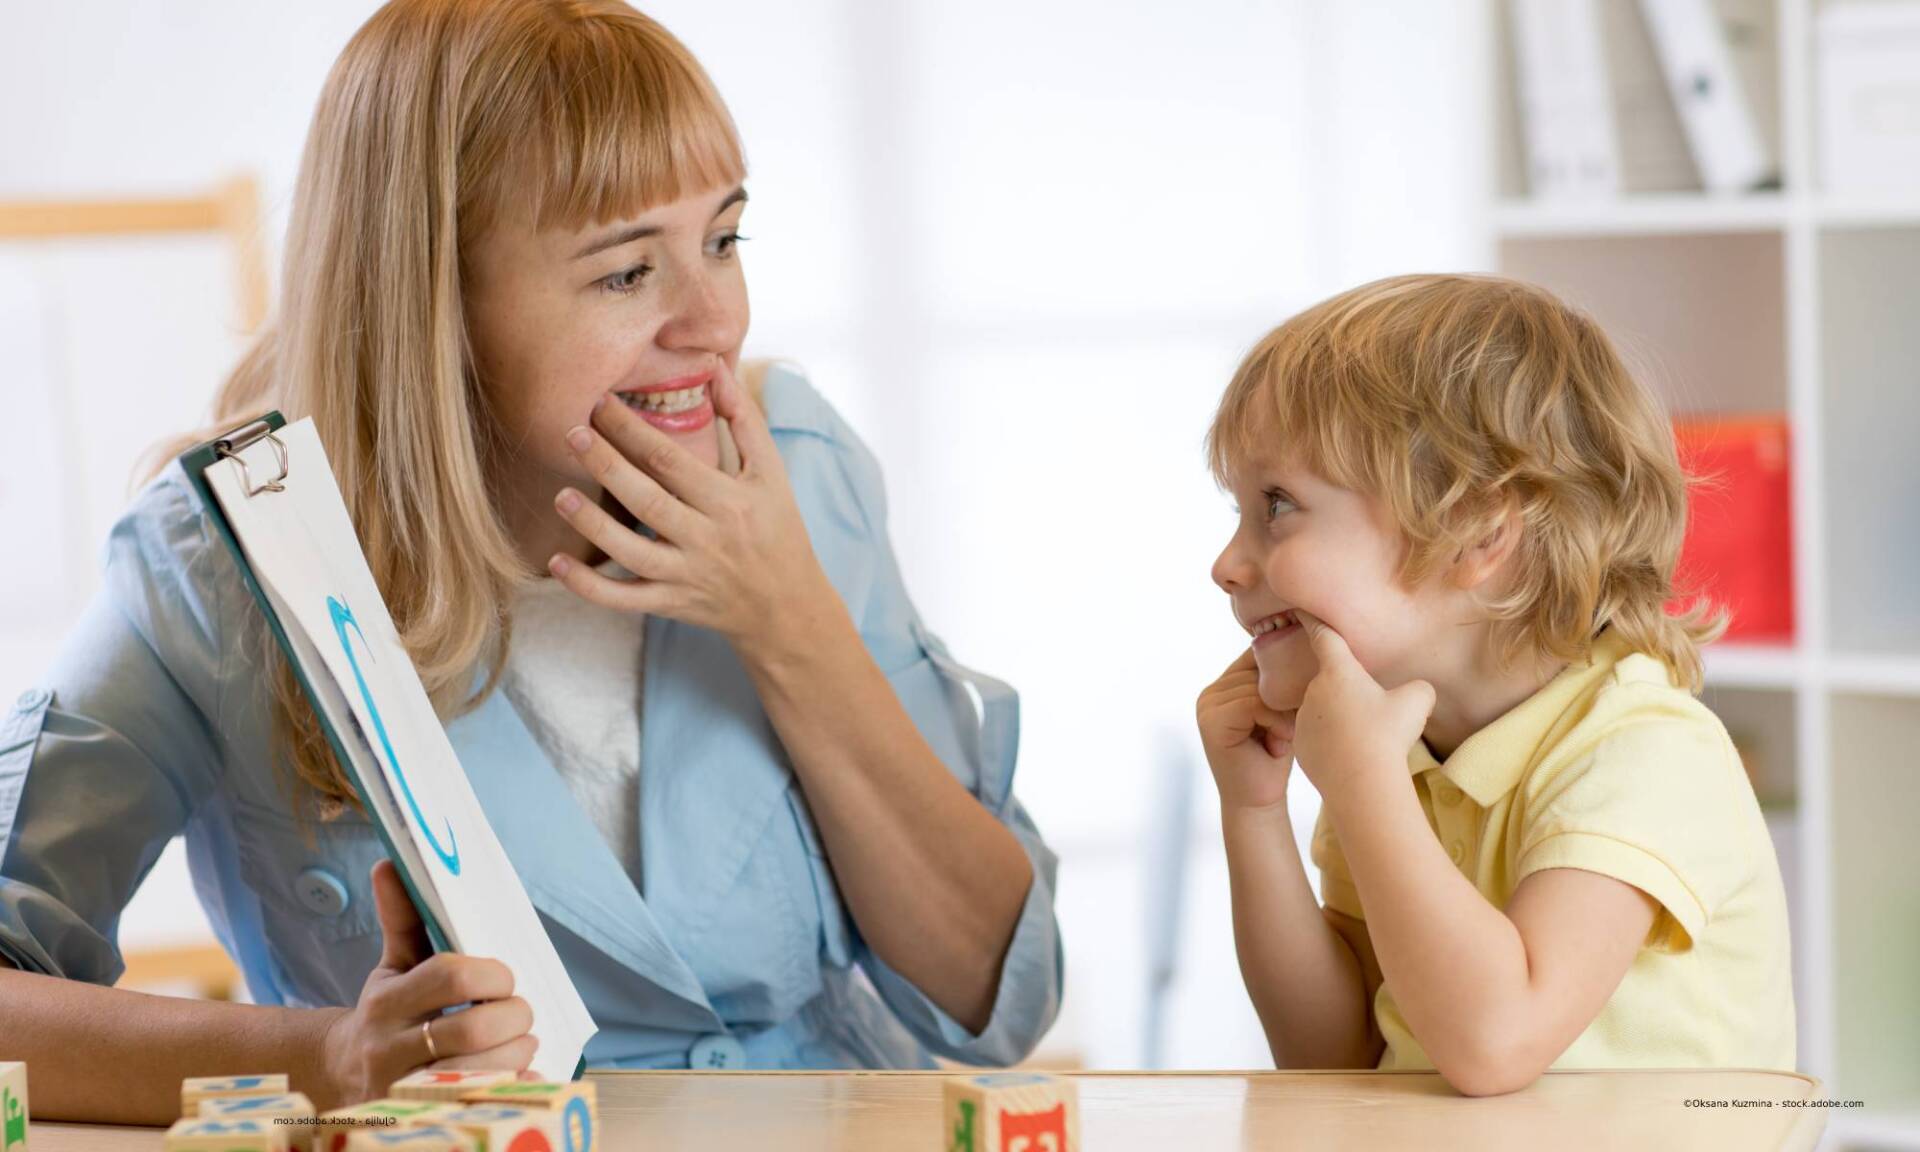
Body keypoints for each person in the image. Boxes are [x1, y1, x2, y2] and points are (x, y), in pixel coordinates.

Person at [0, 0, 1059, 1124]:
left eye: (723, 240)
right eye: (624, 274)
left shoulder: (792, 465)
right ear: (433, 305)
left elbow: (994, 997)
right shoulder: (222, 562)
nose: (714, 322)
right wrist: (334, 1057)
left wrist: (788, 619)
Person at [1195, 273, 1794, 1096]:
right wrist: (1253, 810)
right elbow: (1333, 1059)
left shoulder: (1642, 751)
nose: (1227, 565)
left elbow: (1495, 1043)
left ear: (1477, 534)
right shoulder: (1391, 758)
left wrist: (1365, 785)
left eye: (1278, 506)